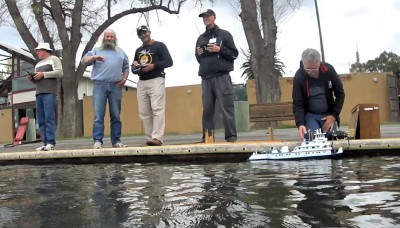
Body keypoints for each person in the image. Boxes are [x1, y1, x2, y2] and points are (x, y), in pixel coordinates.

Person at [195, 9, 239, 143]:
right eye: (203, 17)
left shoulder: (225, 35)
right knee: (207, 109)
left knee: (227, 106)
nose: (205, 18)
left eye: (208, 16)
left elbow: (234, 54)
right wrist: (200, 52)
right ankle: (208, 137)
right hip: (206, 77)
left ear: (214, 17)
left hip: (222, 76)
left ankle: (231, 137)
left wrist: (220, 49)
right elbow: (198, 57)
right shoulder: (201, 38)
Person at [82, 29, 130, 149]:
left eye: (111, 37)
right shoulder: (96, 50)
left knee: (116, 115)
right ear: (104, 38)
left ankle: (116, 141)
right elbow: (84, 61)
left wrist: (124, 79)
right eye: (107, 36)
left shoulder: (121, 52)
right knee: (98, 115)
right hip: (100, 85)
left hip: (115, 86)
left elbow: (126, 67)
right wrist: (94, 57)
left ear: (115, 39)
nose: (109, 38)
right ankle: (98, 141)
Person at [131, 25, 173, 146]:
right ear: (139, 36)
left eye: (145, 32)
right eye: (140, 34)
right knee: (144, 112)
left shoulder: (159, 45)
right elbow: (134, 69)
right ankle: (150, 139)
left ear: (149, 32)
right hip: (142, 81)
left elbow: (169, 62)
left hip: (156, 79)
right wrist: (136, 67)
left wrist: (153, 66)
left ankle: (158, 138)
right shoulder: (138, 50)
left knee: (157, 108)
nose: (143, 35)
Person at [292, 48, 345, 141]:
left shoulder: (329, 70)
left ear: (319, 63)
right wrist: (300, 124)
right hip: (310, 116)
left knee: (330, 137)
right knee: (312, 138)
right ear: (303, 64)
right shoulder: (299, 76)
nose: (310, 71)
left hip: (328, 115)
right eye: (307, 69)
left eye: (314, 68)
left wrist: (333, 116)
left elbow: (340, 93)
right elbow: (297, 103)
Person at [27, 42, 63, 151]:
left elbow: (60, 72)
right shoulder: (37, 64)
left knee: (49, 118)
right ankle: (45, 142)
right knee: (41, 120)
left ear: (45, 50)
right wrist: (32, 79)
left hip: (50, 92)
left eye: (39, 50)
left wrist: (44, 74)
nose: (37, 52)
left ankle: (51, 142)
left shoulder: (54, 59)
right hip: (38, 93)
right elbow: (38, 79)